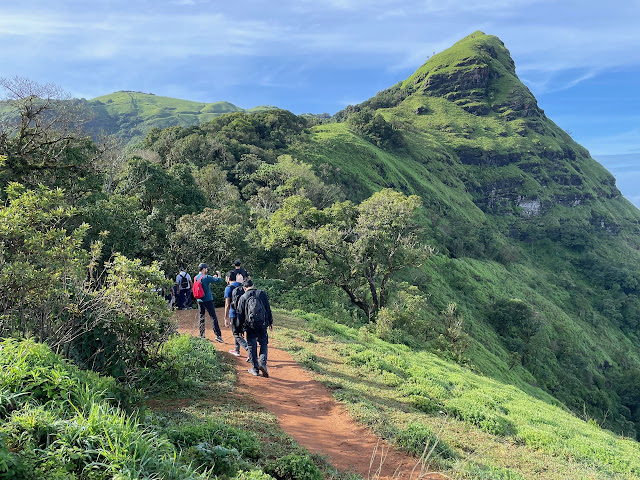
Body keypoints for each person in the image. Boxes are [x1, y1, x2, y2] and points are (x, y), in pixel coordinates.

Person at [236, 279, 273, 377]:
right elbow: (267, 308)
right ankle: (263, 363)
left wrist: (239, 330)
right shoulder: (262, 293)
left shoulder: (243, 297)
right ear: (253, 285)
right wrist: (270, 322)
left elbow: (240, 315)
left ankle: (255, 369)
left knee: (252, 346)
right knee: (264, 343)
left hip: (250, 326)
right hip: (262, 324)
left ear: (244, 288)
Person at [194, 263, 224, 342]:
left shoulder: (195, 277)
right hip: (207, 300)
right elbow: (219, 280)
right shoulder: (206, 277)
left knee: (201, 317)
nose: (207, 270)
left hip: (199, 300)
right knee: (213, 316)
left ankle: (201, 334)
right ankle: (218, 335)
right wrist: (219, 274)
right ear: (204, 269)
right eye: (206, 269)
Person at [224, 271, 249, 357]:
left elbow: (227, 304)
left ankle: (248, 350)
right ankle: (236, 350)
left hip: (234, 313)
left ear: (228, 278)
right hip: (243, 313)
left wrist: (226, 318)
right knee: (239, 332)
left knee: (236, 333)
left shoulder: (228, 288)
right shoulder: (241, 286)